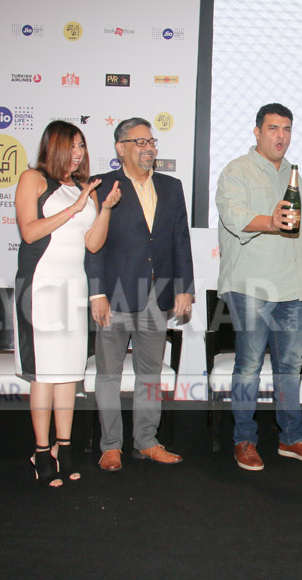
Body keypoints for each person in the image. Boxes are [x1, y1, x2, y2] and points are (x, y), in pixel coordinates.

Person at [216, 103, 302, 471]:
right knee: (248, 367)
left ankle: (291, 438)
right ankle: (244, 441)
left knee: (290, 366)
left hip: (292, 289)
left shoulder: (293, 174)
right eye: (273, 128)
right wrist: (272, 220)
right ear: (257, 132)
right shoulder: (237, 171)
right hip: (252, 285)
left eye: (287, 129)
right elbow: (234, 216)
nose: (281, 136)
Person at [14, 121, 121, 486]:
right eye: (72, 146)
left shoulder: (86, 187)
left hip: (75, 285)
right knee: (44, 373)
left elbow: (92, 244)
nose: (78, 153)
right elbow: (29, 231)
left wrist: (103, 208)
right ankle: (40, 450)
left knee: (68, 373)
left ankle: (64, 445)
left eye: (81, 146)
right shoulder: (34, 179)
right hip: (42, 283)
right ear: (54, 146)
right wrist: (75, 207)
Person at [86, 117, 194, 472]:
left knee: (150, 374)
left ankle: (146, 441)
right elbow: (94, 246)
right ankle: (111, 445)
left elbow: (180, 240)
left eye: (152, 142)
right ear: (121, 148)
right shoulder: (102, 187)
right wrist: (96, 293)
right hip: (114, 294)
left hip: (156, 295)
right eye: (140, 142)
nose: (149, 148)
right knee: (109, 375)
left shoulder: (171, 186)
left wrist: (184, 288)